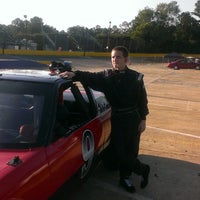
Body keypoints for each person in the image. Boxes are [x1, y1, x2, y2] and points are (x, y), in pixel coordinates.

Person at [59, 45, 150, 193]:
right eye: (112, 57)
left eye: (118, 57)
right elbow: (89, 77)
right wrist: (73, 74)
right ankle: (143, 169)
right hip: (117, 119)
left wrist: (143, 119)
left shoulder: (136, 78)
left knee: (132, 150)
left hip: (133, 118)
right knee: (120, 152)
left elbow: (142, 100)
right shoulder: (106, 76)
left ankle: (125, 178)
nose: (114, 60)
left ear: (126, 59)